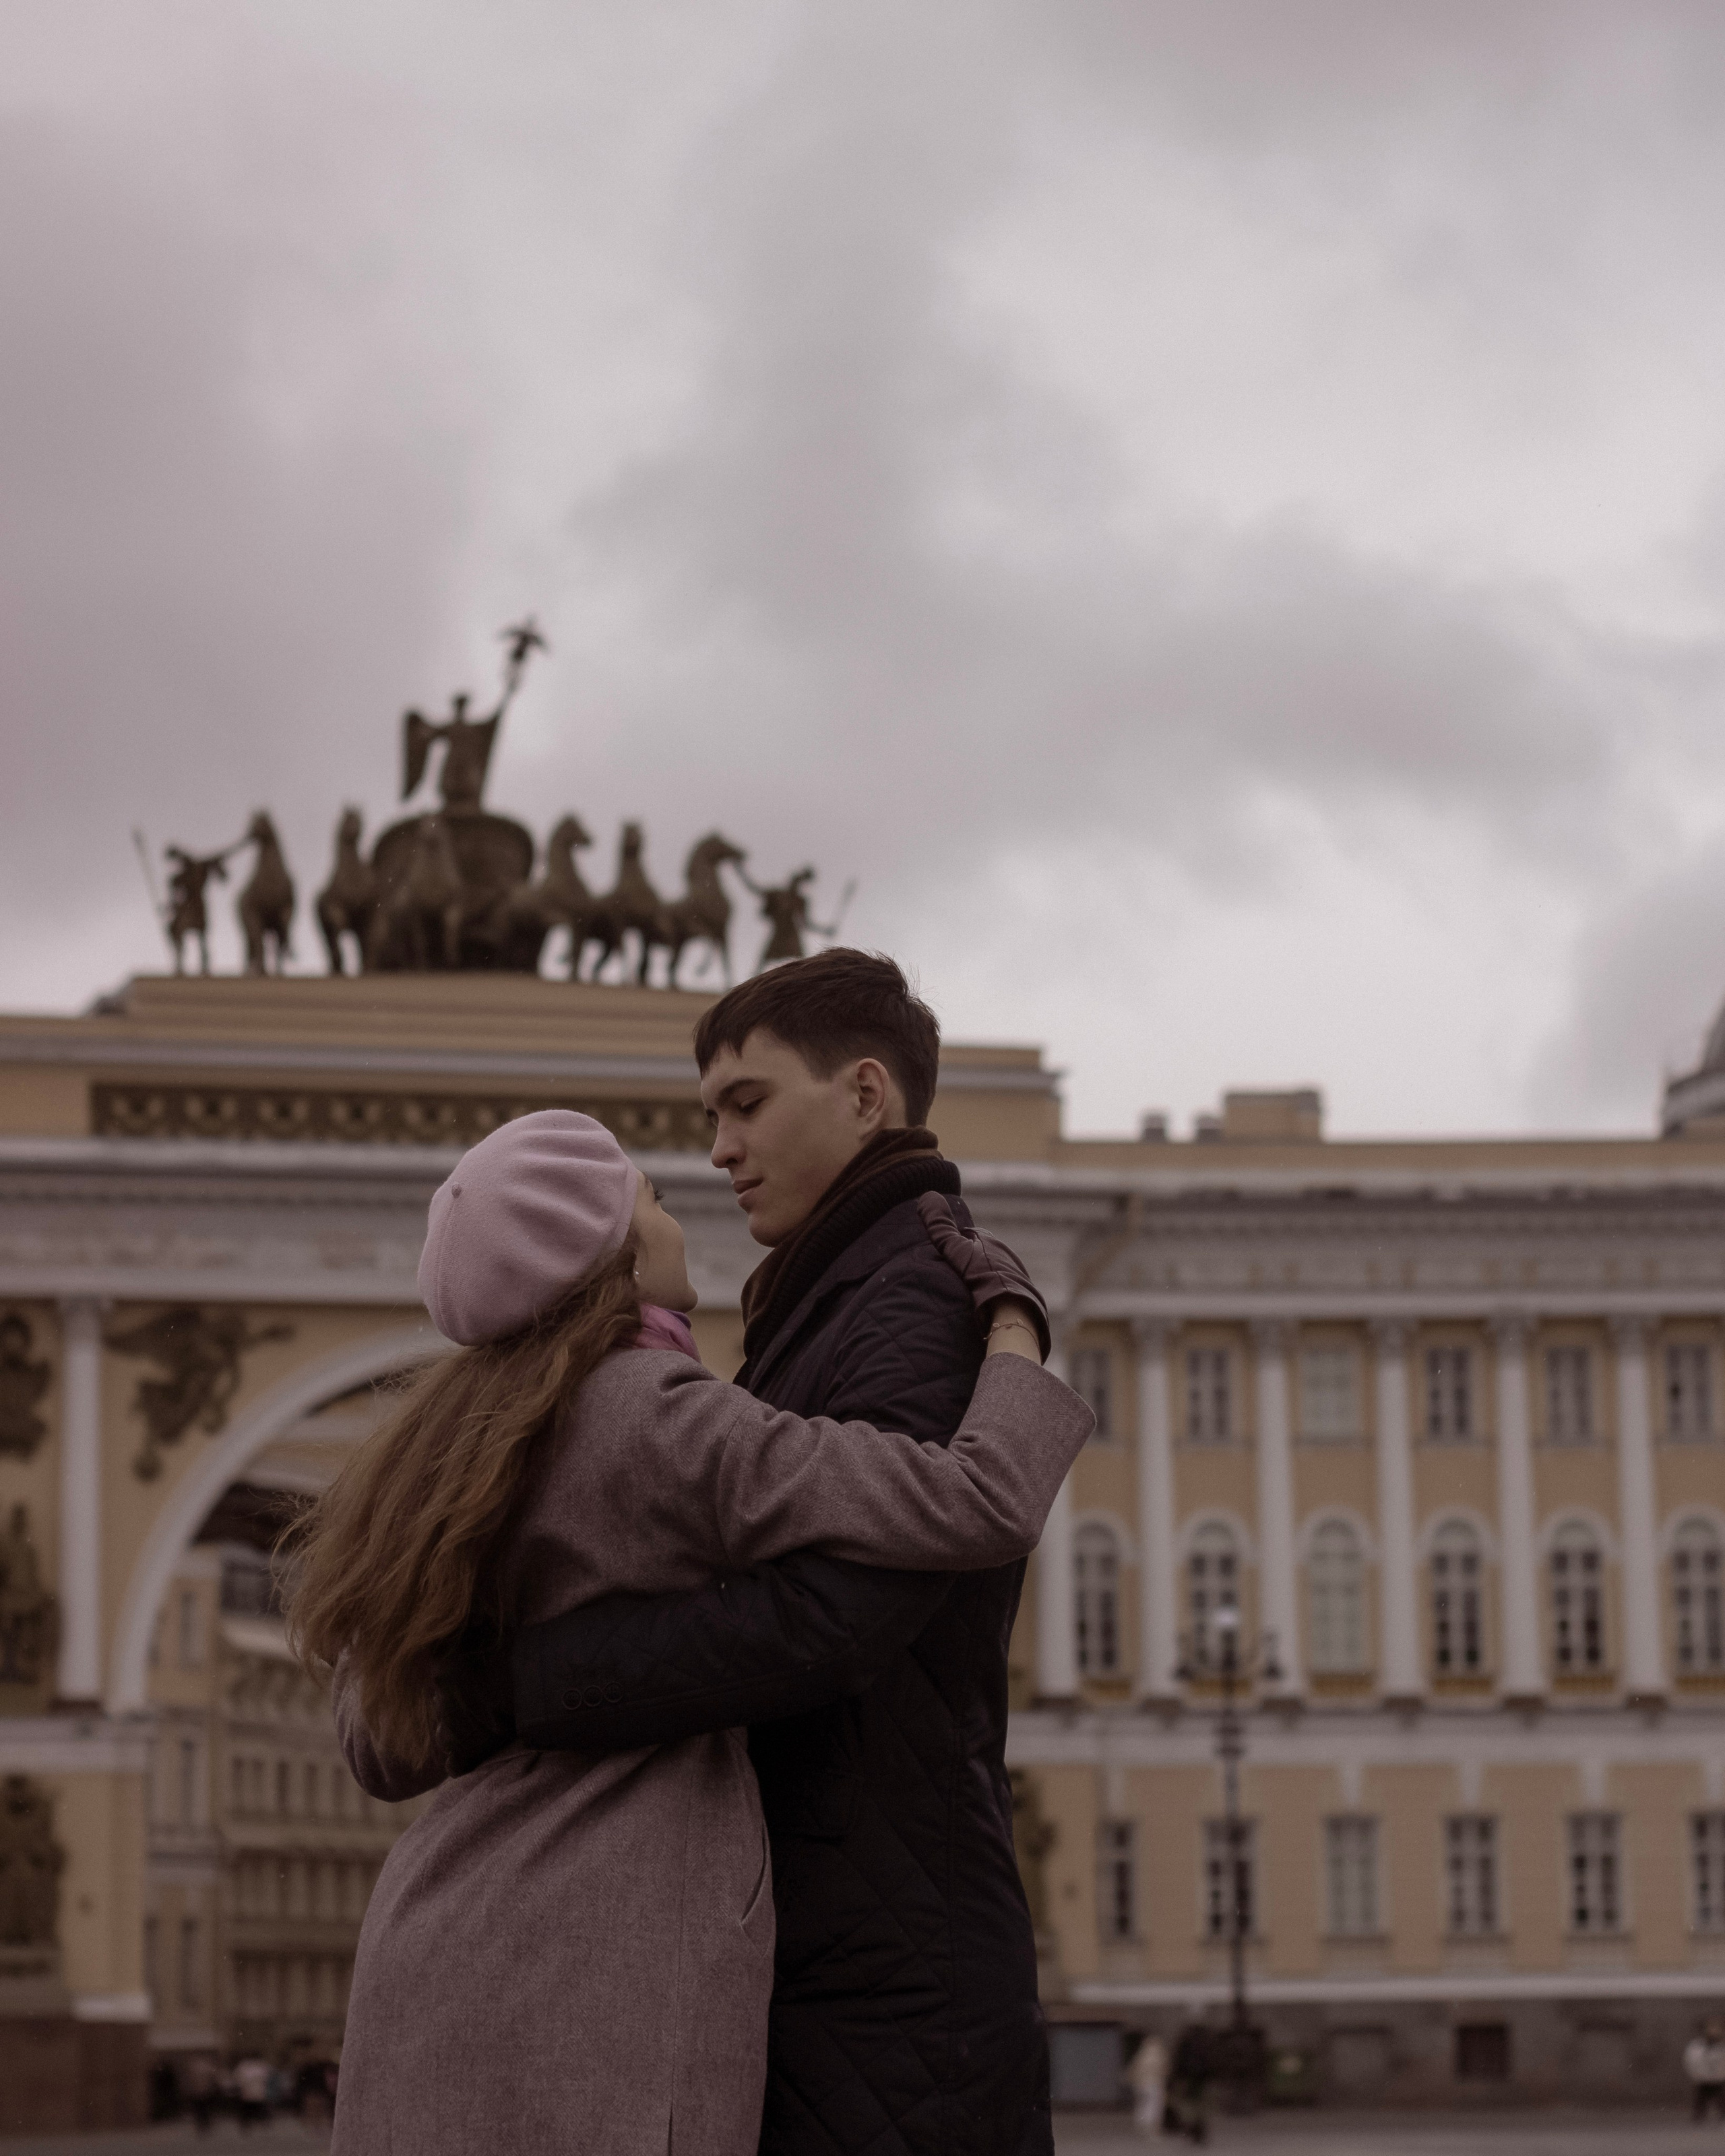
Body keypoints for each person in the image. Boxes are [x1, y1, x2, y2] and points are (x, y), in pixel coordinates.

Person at [286, 1102, 1090, 2156]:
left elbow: (376, 1743)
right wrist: (1019, 1330)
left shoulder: (434, 1452)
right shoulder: (651, 1413)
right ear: (614, 1254)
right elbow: (974, 1501)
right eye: (655, 1200)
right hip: (619, 1969)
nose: (679, 1216)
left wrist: (527, 1681)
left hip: (437, 1950)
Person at [1125, 2031, 1167, 2138]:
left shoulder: (1142, 2055)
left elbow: (1134, 2069)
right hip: (1154, 2084)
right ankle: (1150, 2126)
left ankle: (1141, 2123)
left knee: (1142, 2104)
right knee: (1154, 2105)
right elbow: (1164, 2069)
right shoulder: (1158, 2056)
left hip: (1140, 2085)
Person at [1686, 2017, 1725, 2120]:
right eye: (1711, 2027)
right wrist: (1696, 2076)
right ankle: (1698, 2118)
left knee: (1721, 2102)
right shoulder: (1696, 2047)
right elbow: (1691, 2062)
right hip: (1702, 2081)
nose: (1713, 2031)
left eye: (1716, 2028)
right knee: (1700, 2102)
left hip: (1719, 2081)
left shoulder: (1722, 2047)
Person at [232, 2052, 271, 2132]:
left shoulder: (248, 2066)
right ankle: (250, 2124)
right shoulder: (258, 2066)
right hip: (253, 2092)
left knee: (252, 2108)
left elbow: (238, 2078)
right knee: (251, 2108)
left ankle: (250, 2124)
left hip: (254, 2092)